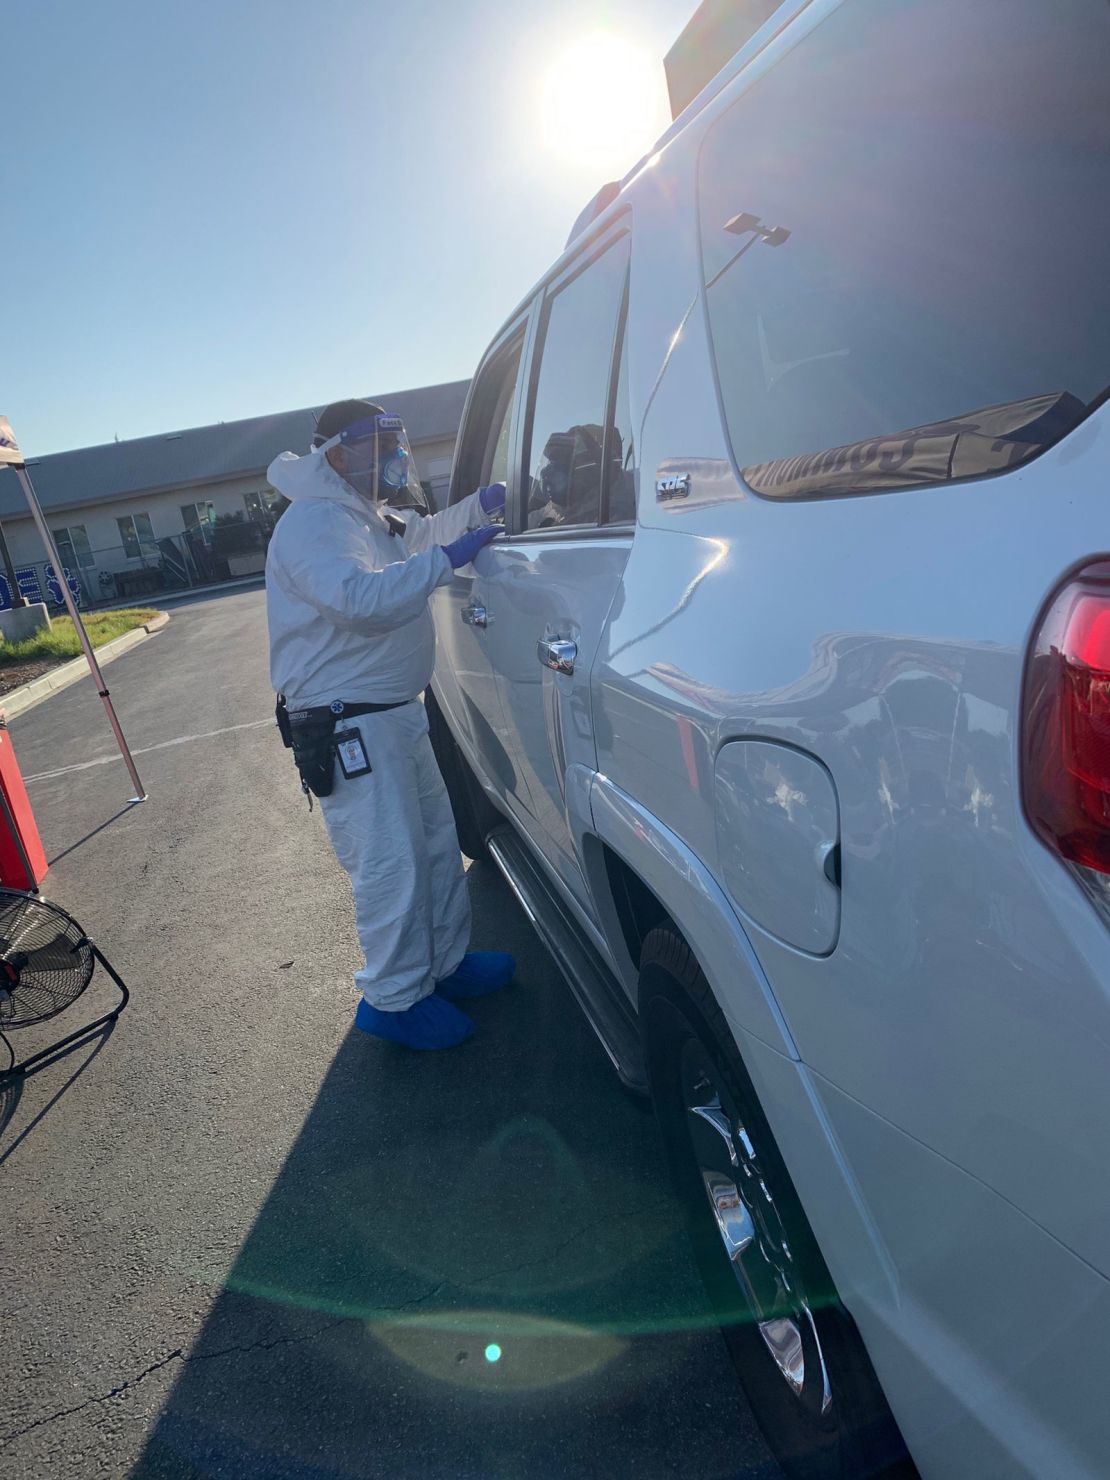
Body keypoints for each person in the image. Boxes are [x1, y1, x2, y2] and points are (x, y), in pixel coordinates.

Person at [265, 398, 513, 1051]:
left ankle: (443, 965)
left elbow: (420, 537)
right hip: (350, 727)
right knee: (391, 862)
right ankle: (396, 999)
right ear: (336, 454)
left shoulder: (362, 514)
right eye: (380, 444)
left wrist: (482, 507)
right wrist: (448, 557)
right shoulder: (316, 522)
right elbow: (358, 601)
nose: (394, 457)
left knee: (433, 845)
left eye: (394, 442)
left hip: (389, 717)